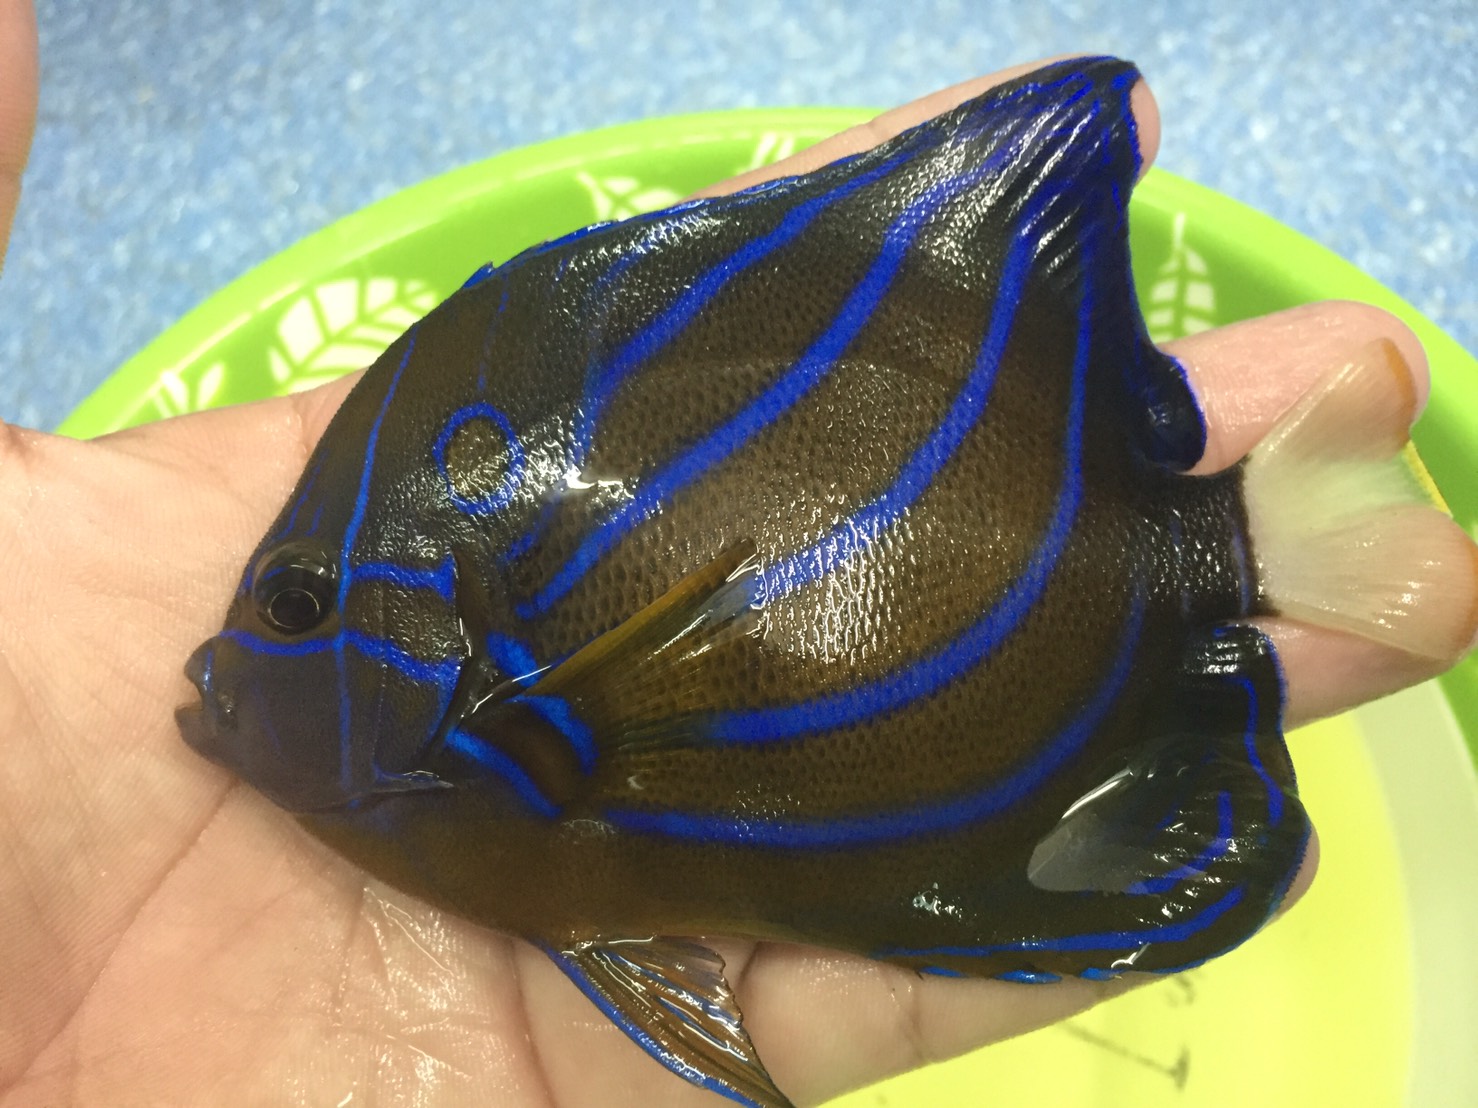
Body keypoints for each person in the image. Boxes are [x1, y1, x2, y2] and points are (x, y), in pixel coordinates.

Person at [0, 5, 1471, 1104]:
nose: (229, 657)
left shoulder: (476, 736)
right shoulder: (459, 732)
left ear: (440, 621)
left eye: (297, 602)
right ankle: (1236, 550)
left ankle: (1228, 550)